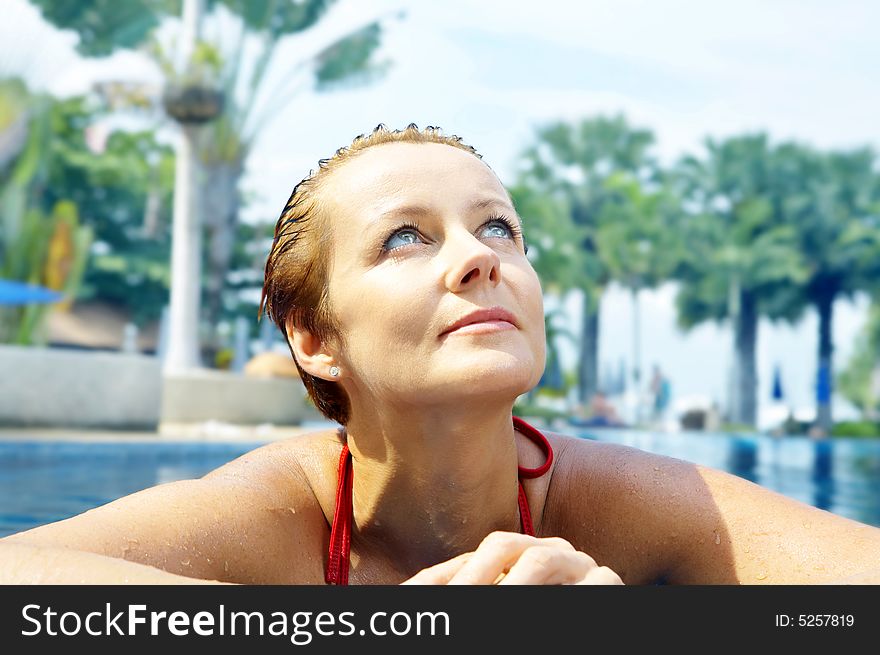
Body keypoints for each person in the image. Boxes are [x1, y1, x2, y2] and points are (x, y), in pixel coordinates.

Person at [3, 124, 880, 585]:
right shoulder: (278, 520)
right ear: (314, 340)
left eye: (497, 224)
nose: (479, 255)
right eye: (405, 239)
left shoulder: (625, 502)